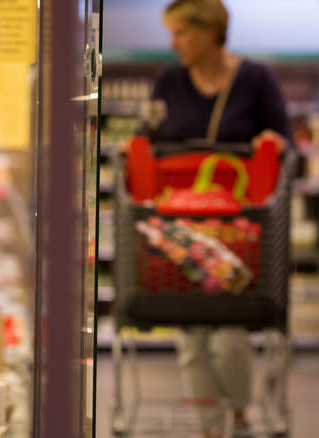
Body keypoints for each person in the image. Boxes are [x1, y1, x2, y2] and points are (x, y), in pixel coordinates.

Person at [141, 1, 292, 437]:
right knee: (190, 334)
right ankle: (210, 427)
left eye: (182, 32)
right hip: (181, 225)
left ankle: (239, 415)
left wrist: (272, 144)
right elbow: (145, 139)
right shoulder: (169, 80)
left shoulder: (255, 79)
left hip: (238, 228)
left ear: (210, 31)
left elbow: (284, 143)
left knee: (228, 334)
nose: (173, 44)